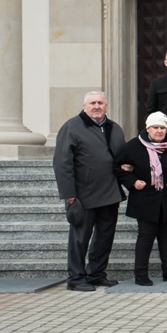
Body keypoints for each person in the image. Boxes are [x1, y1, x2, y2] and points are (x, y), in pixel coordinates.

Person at [53, 91, 126, 291]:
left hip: (110, 193)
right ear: (84, 106)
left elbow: (122, 157)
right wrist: (69, 195)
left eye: (100, 103)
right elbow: (62, 163)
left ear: (106, 106)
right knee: (79, 239)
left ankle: (96, 274)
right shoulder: (72, 127)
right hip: (82, 196)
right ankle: (76, 279)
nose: (96, 106)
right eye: (92, 103)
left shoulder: (114, 128)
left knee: (104, 238)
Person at [114, 111, 167, 286]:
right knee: (145, 237)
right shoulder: (133, 146)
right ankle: (141, 275)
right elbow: (117, 167)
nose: (159, 131)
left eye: (163, 127)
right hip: (145, 200)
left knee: (166, 237)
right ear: (148, 128)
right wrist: (132, 181)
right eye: (155, 127)